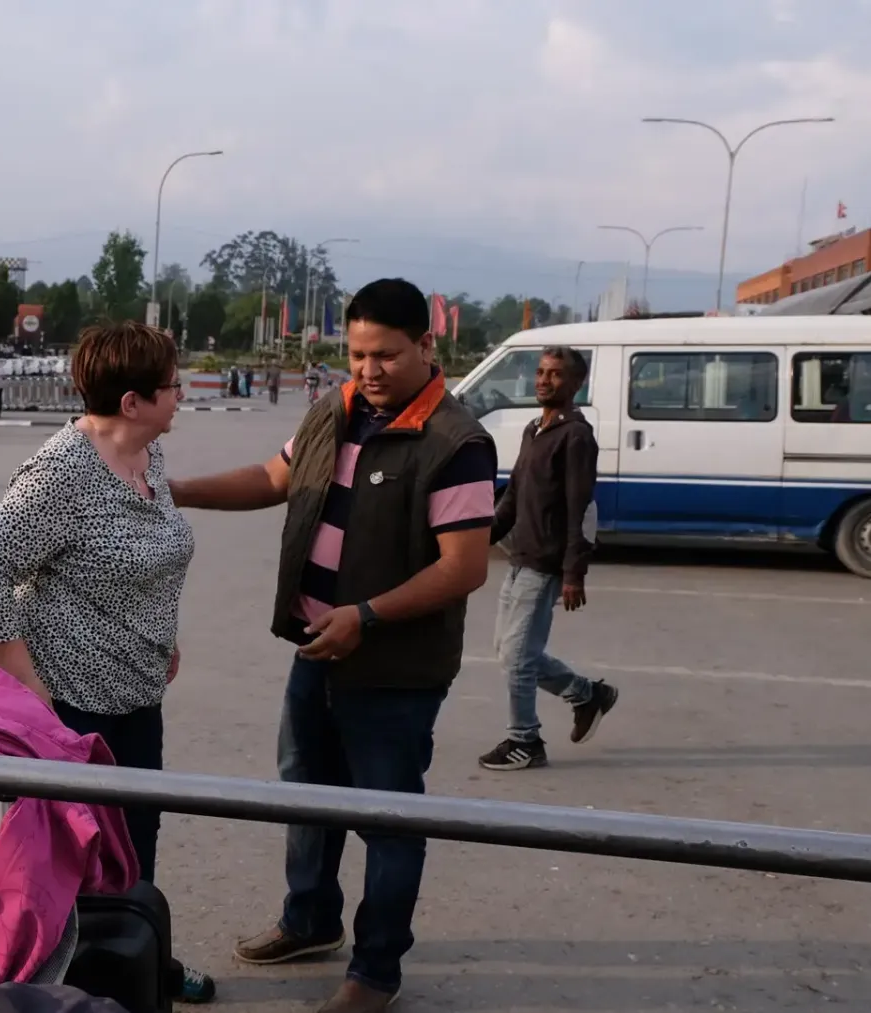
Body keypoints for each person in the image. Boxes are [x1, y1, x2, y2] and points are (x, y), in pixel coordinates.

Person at [168, 278, 496, 1013]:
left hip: (393, 670)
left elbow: (464, 567)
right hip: (317, 650)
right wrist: (178, 490)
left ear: (426, 345)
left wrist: (366, 616)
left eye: (386, 355)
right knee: (306, 794)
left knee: (390, 820)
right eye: (357, 354)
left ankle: (375, 971)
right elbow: (273, 477)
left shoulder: (456, 442)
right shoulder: (335, 410)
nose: (369, 370)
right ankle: (310, 919)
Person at [0, 320, 217, 1004]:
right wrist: (26, 685)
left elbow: (148, 555)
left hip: (137, 692)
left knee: (135, 839)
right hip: (69, 704)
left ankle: (139, 957)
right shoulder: (61, 473)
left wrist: (159, 633)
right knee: (66, 858)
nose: (181, 395)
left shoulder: (147, 454)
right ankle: (63, 985)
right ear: (132, 402)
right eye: (171, 386)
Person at [478, 345, 618, 771]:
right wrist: (480, 540)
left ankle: (525, 740)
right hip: (521, 555)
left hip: (546, 562)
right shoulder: (534, 429)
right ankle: (587, 694)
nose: (543, 380)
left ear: (576, 383)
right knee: (509, 652)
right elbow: (514, 495)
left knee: (519, 658)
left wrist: (574, 572)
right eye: (540, 372)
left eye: (555, 374)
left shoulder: (576, 437)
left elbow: (581, 509)